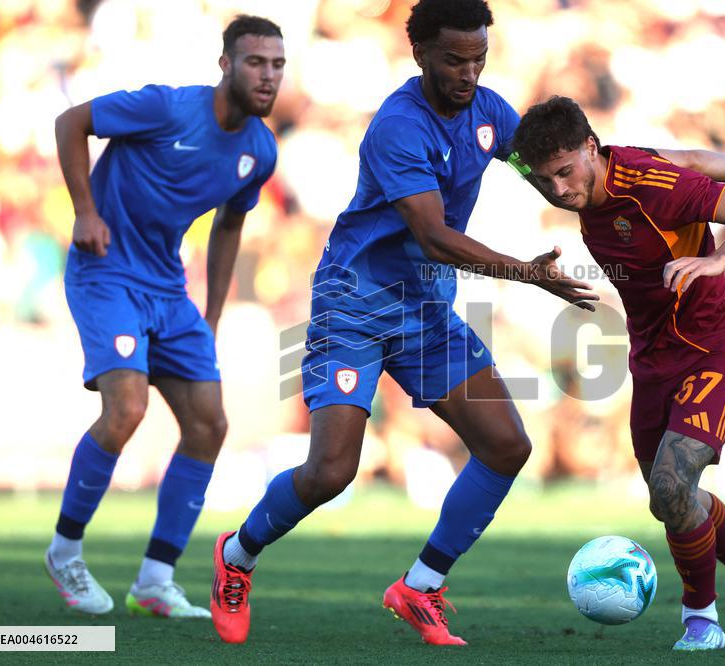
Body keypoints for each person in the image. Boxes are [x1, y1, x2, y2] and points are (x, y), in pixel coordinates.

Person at [210, 0, 597, 646]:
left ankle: (420, 585)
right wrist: (530, 274)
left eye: (478, 59)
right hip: (354, 304)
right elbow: (435, 236)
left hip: (424, 310)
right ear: (419, 54)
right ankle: (237, 555)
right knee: (331, 470)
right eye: (453, 59)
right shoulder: (398, 127)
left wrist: (626, 194)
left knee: (506, 445)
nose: (469, 73)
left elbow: (553, 176)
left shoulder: (490, 112)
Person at [511, 96, 725, 651]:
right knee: (668, 500)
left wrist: (717, 260)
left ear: (590, 148)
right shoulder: (596, 168)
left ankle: (701, 619)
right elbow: (692, 158)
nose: (557, 190)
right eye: (543, 179)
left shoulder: (651, 187)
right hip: (652, 357)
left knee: (673, 484)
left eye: (564, 173)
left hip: (714, 349)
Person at [46, 15, 283, 618]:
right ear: (225, 64)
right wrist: (84, 210)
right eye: (256, 62)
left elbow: (230, 225)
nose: (268, 76)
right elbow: (70, 122)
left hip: (168, 289)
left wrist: (212, 316)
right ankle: (65, 551)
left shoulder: (258, 150)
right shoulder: (165, 107)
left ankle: (155, 579)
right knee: (126, 408)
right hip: (105, 271)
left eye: (278, 65)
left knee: (209, 425)